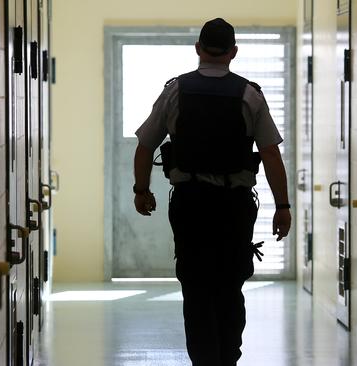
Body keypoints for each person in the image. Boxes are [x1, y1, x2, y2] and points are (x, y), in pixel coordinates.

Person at [132, 18, 291, 366]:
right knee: (230, 286)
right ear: (233, 52)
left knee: (196, 287)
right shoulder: (250, 94)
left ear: (198, 49)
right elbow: (271, 154)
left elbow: (145, 146)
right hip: (234, 208)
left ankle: (204, 360)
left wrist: (141, 190)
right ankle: (227, 358)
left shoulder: (175, 91)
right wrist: (283, 205)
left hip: (190, 205)